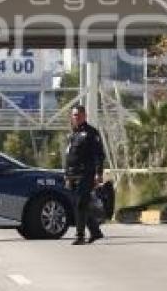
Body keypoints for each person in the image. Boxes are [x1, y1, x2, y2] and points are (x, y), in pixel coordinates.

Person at [65, 105, 105, 245]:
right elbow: (69, 156)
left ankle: (80, 235)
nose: (75, 117)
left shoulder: (91, 133)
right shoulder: (73, 134)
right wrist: (67, 175)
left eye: (78, 115)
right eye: (74, 115)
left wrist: (98, 174)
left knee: (81, 204)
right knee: (80, 204)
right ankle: (95, 231)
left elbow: (99, 155)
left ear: (84, 115)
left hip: (86, 174)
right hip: (73, 175)